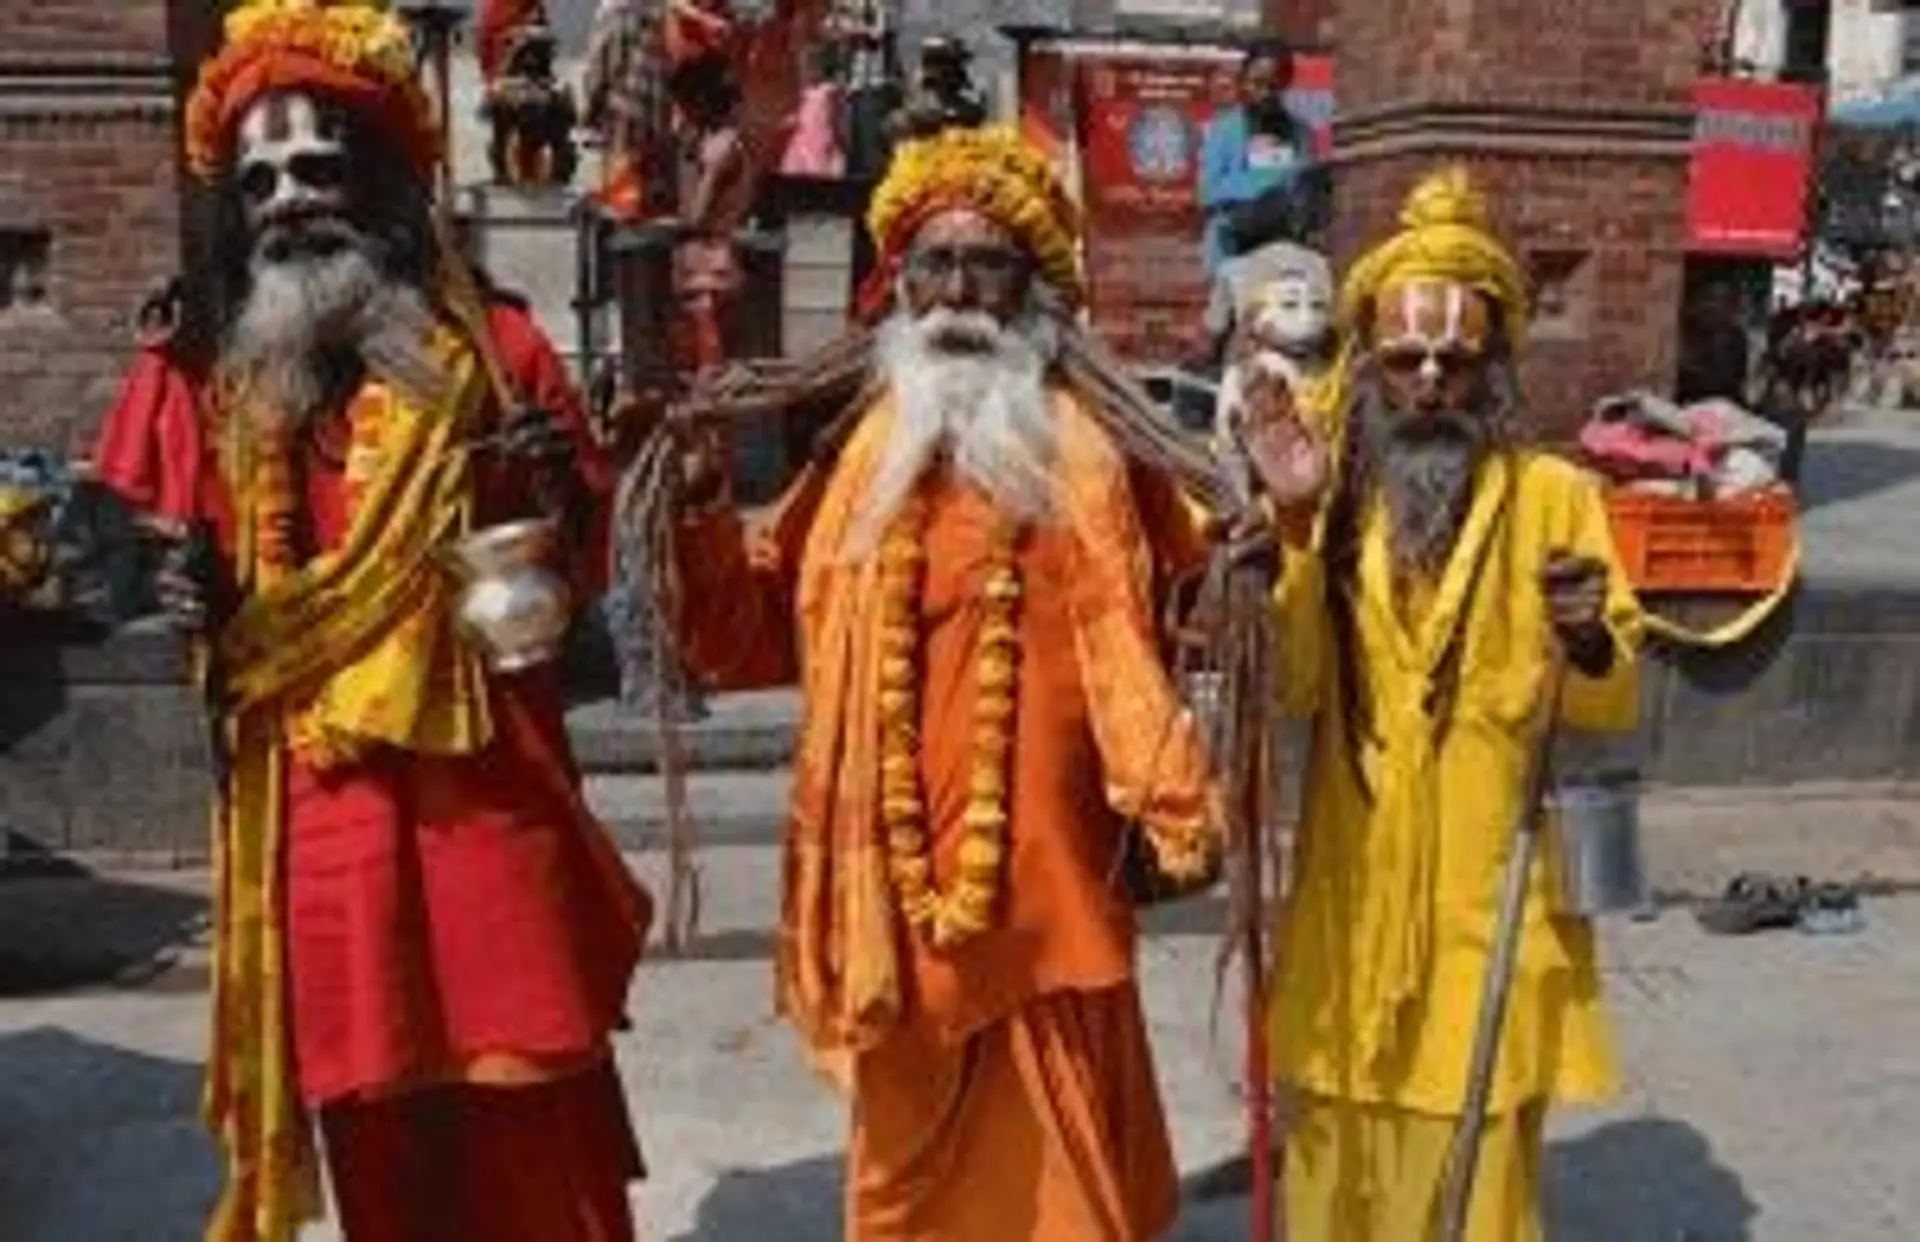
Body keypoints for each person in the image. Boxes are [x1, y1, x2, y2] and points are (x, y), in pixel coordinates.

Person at [92, 4, 651, 1239]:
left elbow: (583, 580)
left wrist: (553, 485)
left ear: (385, 184)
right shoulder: (214, 379)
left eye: (319, 167)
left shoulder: (496, 351)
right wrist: (196, 600)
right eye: (261, 182)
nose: (290, 200)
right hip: (323, 810)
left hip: (485, 797)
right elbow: (162, 582)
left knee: (531, 1105)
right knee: (375, 1123)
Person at [667, 125, 1224, 1240]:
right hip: (896, 905)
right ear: (898, 287)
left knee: (1062, 1203)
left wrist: (1280, 535)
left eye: (989, 266)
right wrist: (692, 511)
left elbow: (1210, 607)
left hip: (1052, 898)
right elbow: (744, 639)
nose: (959, 292)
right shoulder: (855, 457)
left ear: (1031, 294)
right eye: (935, 264)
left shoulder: (1103, 455)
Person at [1244, 166, 1642, 1242]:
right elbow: (1293, 685)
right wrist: (1284, 533)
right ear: (1369, 365)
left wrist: (1590, 633)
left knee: (1480, 1171)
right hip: (1356, 901)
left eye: (1454, 362)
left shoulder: (1558, 500)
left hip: (1489, 892)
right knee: (1338, 1180)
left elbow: (1607, 703)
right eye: (1405, 357)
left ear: (1493, 372)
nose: (1428, 381)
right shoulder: (1328, 502)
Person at [1197, 41, 1316, 278]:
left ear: (1285, 85)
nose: (1264, 94)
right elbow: (1208, 193)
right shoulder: (1223, 131)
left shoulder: (1299, 133)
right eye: (1257, 84)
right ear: (1243, 81)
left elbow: (1305, 188)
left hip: (1283, 256)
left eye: (1273, 86)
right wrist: (1263, 188)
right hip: (1232, 257)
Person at [669, 51, 752, 372]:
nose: (682, 112)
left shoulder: (719, 150)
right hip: (717, 268)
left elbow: (697, 216)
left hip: (707, 273)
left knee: (708, 370)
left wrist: (663, 223)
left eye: (685, 104)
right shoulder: (725, 142)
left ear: (701, 101)